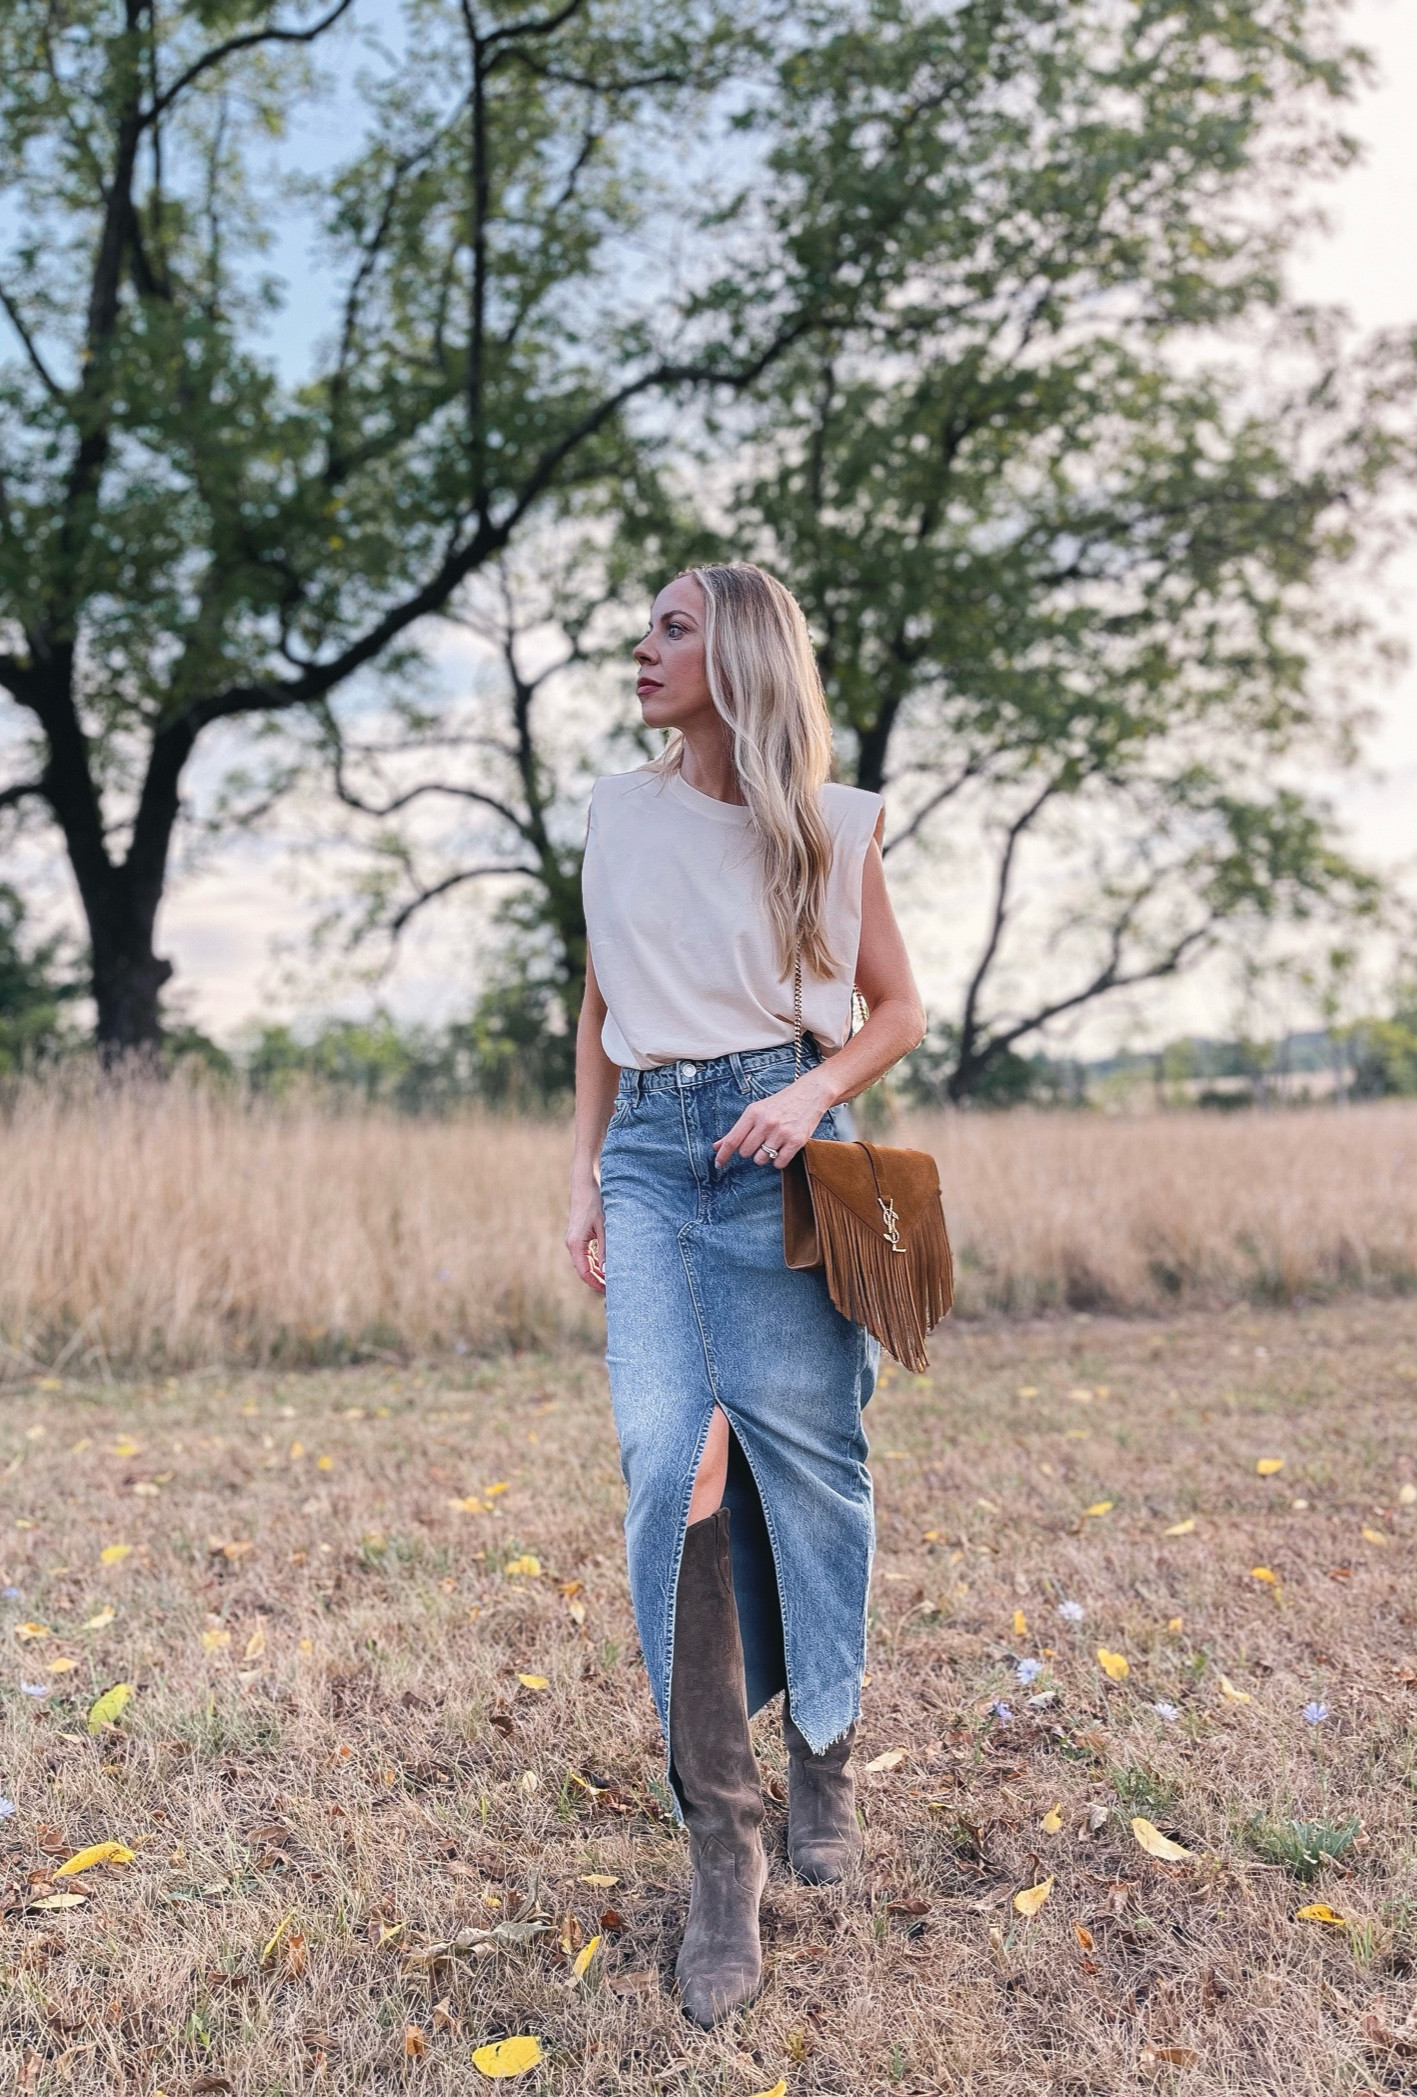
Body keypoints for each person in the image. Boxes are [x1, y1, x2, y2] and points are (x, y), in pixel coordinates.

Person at [565, 562, 926, 2026]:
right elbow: (595, 1006)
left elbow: (896, 1004)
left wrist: (815, 1089)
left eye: (672, 628)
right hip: (653, 1154)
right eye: (643, 625)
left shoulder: (830, 830)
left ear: (743, 656)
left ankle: (823, 1750)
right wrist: (582, 1168)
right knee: (670, 1456)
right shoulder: (613, 814)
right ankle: (726, 1844)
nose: (642, 646)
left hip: (783, 1156)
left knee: (816, 1472)